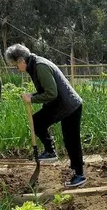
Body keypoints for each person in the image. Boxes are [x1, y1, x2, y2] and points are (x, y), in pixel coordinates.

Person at [5, 43, 87, 188]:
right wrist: (33, 95)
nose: (16, 69)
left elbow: (51, 93)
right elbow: (48, 92)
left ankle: (78, 174)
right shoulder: (34, 65)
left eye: (15, 66)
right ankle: (50, 151)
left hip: (70, 105)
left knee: (71, 140)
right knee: (38, 122)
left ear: (21, 61)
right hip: (61, 104)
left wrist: (32, 98)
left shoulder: (40, 66)